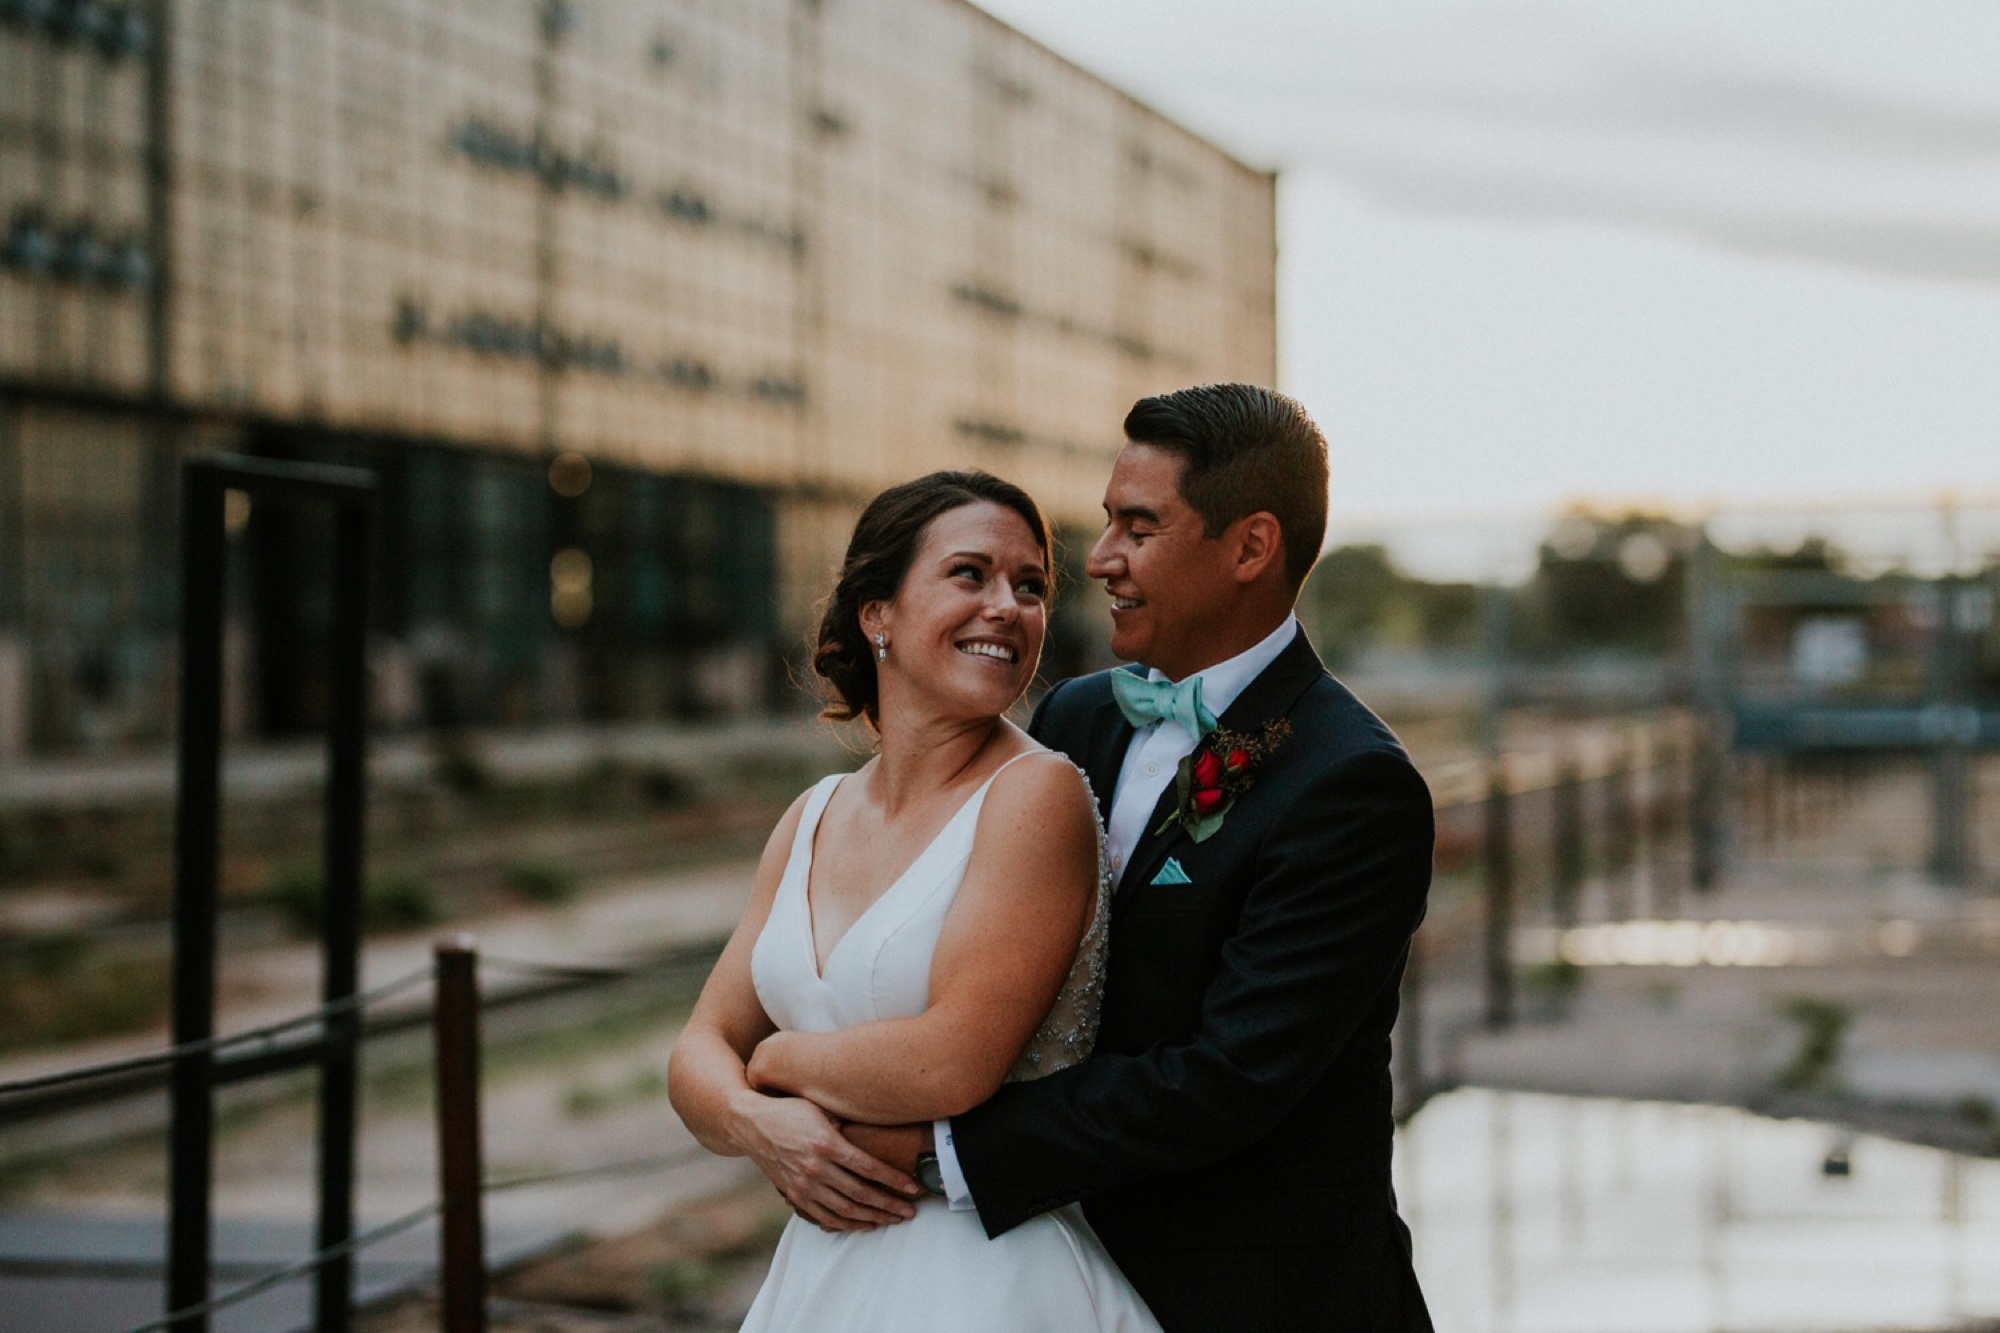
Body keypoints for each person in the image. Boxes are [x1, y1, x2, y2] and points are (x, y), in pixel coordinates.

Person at [731, 384, 1437, 1330]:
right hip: (1037, 1259)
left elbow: (1225, 1079)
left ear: (1250, 547)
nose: (1100, 559)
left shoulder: (1350, 783)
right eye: (1107, 523)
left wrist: (929, 1152)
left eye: (1138, 528)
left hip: (1249, 1296)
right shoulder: (1074, 718)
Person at [666, 471, 1162, 1332]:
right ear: (877, 613)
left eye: (1031, 585)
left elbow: (951, 1063)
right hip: (821, 1272)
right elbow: (696, 1052)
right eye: (970, 574)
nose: (1008, 605)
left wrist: (776, 1061)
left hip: (986, 1277)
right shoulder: (811, 816)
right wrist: (758, 1124)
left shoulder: (1034, 795)